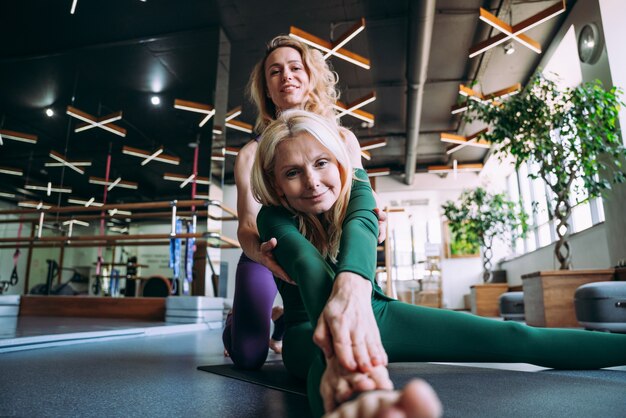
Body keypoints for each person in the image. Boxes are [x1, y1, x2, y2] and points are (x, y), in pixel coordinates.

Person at [250, 109, 626, 418]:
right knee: (323, 352)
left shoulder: (358, 190)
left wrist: (357, 300)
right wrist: (341, 343)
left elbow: (362, 230)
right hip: (309, 327)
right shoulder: (271, 217)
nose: (313, 181)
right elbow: (308, 267)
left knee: (519, 337)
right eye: (293, 172)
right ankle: (358, 405)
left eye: (321, 163)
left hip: (379, 311)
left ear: (339, 164)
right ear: (277, 183)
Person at [222, 35, 388, 370]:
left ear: (309, 78)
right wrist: (262, 255)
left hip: (326, 246)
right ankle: (235, 323)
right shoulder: (250, 154)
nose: (287, 76)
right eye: (275, 71)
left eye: (295, 67)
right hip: (266, 252)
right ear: (266, 89)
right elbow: (247, 225)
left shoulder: (342, 140)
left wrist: (377, 226)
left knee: (361, 335)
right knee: (248, 355)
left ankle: (285, 317)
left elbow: (359, 204)